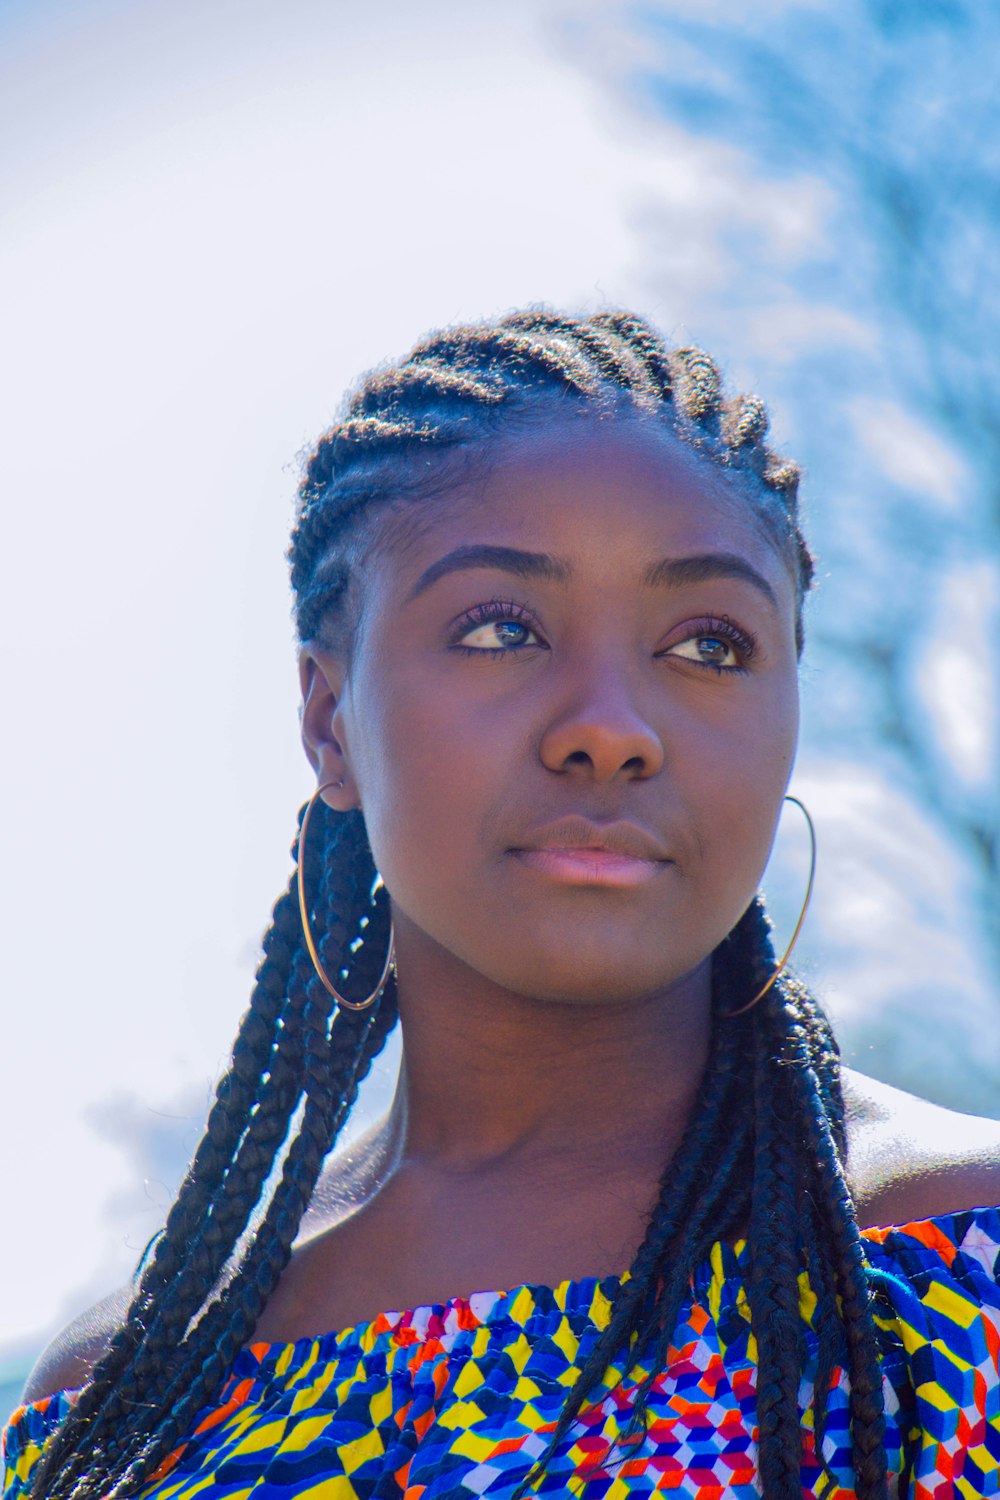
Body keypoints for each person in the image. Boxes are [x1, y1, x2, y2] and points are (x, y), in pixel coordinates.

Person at [5, 309, 1000, 1500]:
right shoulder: (122, 1403)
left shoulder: (957, 1258)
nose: (609, 731)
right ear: (330, 722)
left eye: (709, 646)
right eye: (500, 629)